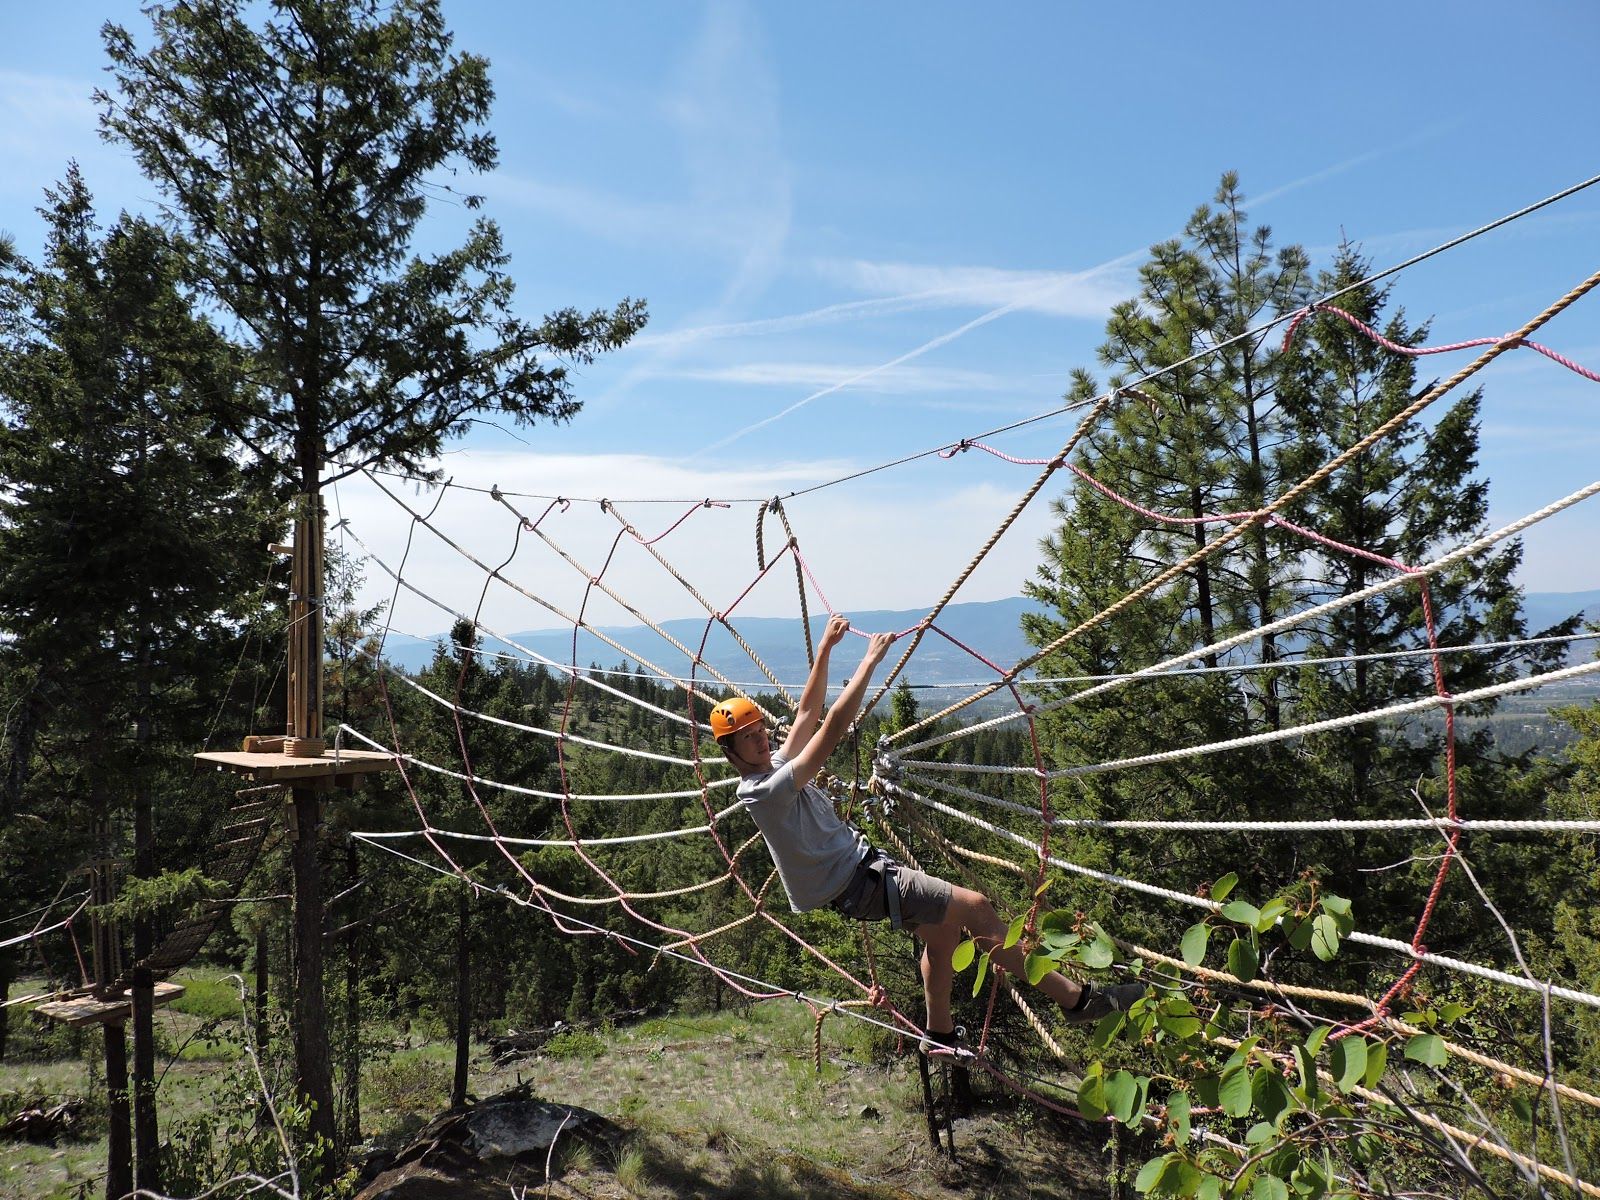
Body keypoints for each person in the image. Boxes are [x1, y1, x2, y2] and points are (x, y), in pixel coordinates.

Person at [711, 614, 1143, 1050]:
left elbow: (807, 713)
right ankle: (1076, 999)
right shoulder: (763, 791)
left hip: (860, 875)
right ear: (729, 753)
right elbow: (831, 730)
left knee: (943, 935)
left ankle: (938, 1032)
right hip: (860, 880)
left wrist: (824, 647)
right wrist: (868, 663)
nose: (760, 740)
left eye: (760, 731)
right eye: (747, 738)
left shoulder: (773, 767)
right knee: (975, 908)